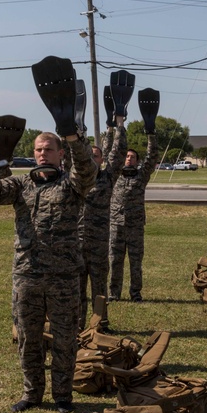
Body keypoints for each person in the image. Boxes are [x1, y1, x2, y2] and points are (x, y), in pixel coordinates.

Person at [0, 130, 97, 413]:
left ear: (60, 154)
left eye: (47, 149)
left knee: (65, 338)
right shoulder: (22, 184)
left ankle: (62, 395)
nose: (42, 154)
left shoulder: (71, 185)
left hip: (64, 277)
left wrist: (74, 140)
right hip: (27, 274)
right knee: (27, 337)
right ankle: (32, 393)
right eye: (37, 150)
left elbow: (86, 170)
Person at [78, 115, 127, 330]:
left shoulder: (107, 179)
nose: (92, 157)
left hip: (98, 246)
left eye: (96, 155)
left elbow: (119, 155)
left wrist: (119, 127)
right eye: (89, 154)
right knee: (77, 289)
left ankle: (100, 324)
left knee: (99, 289)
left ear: (101, 159)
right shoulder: (75, 179)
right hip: (76, 245)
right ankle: (78, 324)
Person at [108, 136, 159, 302]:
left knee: (135, 262)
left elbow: (152, 158)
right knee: (115, 261)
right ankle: (114, 293)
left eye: (132, 157)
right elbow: (111, 153)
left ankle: (135, 293)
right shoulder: (114, 175)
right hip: (116, 225)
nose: (129, 159)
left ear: (137, 161)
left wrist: (151, 135)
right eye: (127, 156)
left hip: (135, 227)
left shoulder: (141, 176)